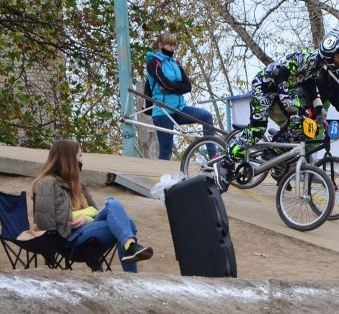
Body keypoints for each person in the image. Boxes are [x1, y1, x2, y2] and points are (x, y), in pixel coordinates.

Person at [221, 32, 339, 185]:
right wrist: (291, 103)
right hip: (264, 87)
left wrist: (317, 107)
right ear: (329, 55)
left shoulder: (318, 64)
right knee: (257, 130)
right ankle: (227, 162)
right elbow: (280, 74)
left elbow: (309, 83)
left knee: (297, 123)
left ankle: (272, 153)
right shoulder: (308, 59)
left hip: (280, 89)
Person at [30, 139, 152, 272]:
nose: (82, 160)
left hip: (86, 232)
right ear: (69, 159)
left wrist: (85, 219)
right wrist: (73, 219)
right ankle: (131, 268)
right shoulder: (48, 183)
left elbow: (96, 212)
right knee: (128, 223)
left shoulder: (80, 186)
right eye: (80, 155)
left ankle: (130, 247)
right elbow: (45, 224)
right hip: (67, 239)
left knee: (113, 204)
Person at [145, 33, 218, 161]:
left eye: (174, 45)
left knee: (206, 116)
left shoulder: (175, 63)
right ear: (160, 45)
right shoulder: (153, 63)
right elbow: (164, 83)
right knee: (166, 149)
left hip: (179, 108)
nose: (172, 48)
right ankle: (161, 177)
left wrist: (170, 88)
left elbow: (188, 86)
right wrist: (176, 87)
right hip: (163, 112)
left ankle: (213, 156)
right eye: (169, 45)